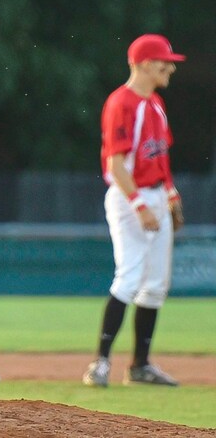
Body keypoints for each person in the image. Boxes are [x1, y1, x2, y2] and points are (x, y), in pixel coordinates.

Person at [82, 34, 185, 388]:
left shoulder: (155, 103)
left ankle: (140, 366)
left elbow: (160, 156)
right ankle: (100, 363)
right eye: (163, 61)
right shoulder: (121, 103)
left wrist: (170, 194)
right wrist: (140, 205)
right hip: (129, 197)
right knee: (129, 277)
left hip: (154, 193)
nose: (169, 67)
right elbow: (116, 165)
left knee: (156, 285)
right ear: (142, 64)